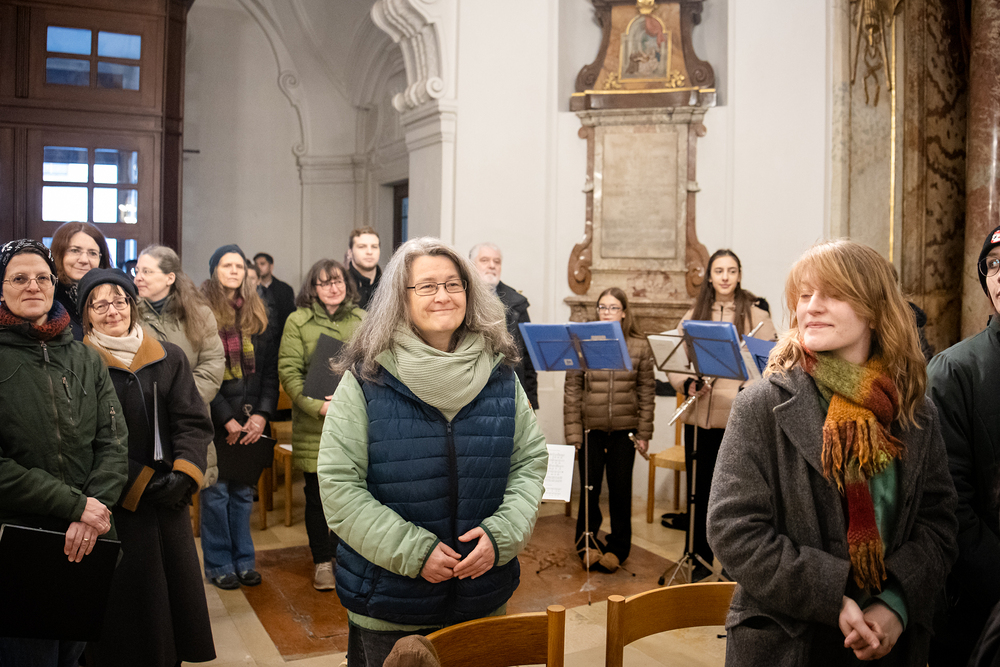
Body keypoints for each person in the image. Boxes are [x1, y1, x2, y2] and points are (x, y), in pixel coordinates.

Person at [707, 240, 958, 665]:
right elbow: (732, 529)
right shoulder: (762, 405)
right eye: (804, 295)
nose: (812, 307)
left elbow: (939, 524)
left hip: (891, 643)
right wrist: (832, 597)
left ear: (875, 310)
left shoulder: (915, 410)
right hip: (788, 641)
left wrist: (895, 604)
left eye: (834, 294)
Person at [317, 237, 548, 667]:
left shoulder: (500, 375)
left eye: (453, 284)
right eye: (426, 286)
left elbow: (529, 463)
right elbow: (339, 486)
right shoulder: (366, 379)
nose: (443, 295)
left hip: (482, 592)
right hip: (391, 598)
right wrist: (414, 551)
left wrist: (502, 536)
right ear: (400, 299)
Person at [78, 269, 215, 666]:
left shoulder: (168, 356)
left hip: (170, 500)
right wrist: (139, 484)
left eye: (119, 301)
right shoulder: (80, 363)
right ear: (86, 314)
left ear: (132, 305)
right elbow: (84, 440)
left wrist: (184, 475)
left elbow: (192, 421)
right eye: (99, 304)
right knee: (129, 616)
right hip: (116, 504)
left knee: (173, 609)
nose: (112, 311)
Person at [0, 240, 127, 665]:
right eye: (19, 278)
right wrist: (75, 505)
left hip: (86, 538)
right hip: (19, 539)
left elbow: (113, 442)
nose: (33, 286)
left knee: (72, 656)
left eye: (42, 277)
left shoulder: (85, 357)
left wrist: (93, 509)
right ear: (2, 288)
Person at [666, 248, 776, 581]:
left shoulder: (757, 316)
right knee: (699, 492)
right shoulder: (694, 315)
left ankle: (732, 564)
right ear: (710, 277)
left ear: (739, 275)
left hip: (738, 420)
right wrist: (687, 382)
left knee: (733, 496)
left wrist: (748, 390)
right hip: (700, 418)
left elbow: (770, 366)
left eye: (731, 271)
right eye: (719, 271)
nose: (725, 277)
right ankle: (697, 557)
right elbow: (676, 360)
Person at [926, 224, 1000, 666]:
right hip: (976, 613)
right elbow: (949, 507)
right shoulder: (953, 372)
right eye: (994, 265)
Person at [277, 258, 365, 591]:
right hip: (315, 423)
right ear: (313, 288)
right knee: (316, 498)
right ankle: (322, 561)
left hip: (354, 421)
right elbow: (288, 372)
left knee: (352, 495)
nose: (333, 287)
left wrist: (349, 403)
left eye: (338, 281)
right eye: (325, 282)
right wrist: (319, 407)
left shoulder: (363, 319)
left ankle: (344, 555)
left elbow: (374, 364)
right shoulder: (297, 321)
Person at [200, 244, 278, 590]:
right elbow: (200, 371)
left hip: (250, 418)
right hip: (216, 419)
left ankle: (244, 561)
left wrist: (261, 415)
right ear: (214, 270)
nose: (234, 271)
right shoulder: (201, 310)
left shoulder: (258, 310)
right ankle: (220, 563)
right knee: (216, 494)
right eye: (226, 265)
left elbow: (269, 372)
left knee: (244, 494)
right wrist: (225, 418)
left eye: (239, 266)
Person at [562, 287, 654, 573]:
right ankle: (585, 544)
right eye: (602, 307)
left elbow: (646, 391)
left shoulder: (639, 346)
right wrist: (573, 434)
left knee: (620, 491)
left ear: (624, 312)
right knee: (589, 490)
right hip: (591, 429)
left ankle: (618, 548)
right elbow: (573, 389)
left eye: (614, 307)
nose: (607, 312)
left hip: (626, 430)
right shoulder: (583, 342)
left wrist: (644, 433)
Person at [134, 244, 225, 489]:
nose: (138, 277)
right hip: (143, 421)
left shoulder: (199, 314)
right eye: (137, 271)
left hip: (188, 420)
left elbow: (212, 365)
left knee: (183, 488)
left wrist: (182, 400)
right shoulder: (128, 314)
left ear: (170, 277)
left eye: (147, 271)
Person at [470, 242, 539, 409]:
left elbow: (528, 358)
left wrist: (531, 400)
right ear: (471, 265)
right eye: (484, 260)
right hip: (471, 391)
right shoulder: (459, 299)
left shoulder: (517, 303)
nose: (492, 265)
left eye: (497, 261)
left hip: (510, 390)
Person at [49, 221, 112, 340]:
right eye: (75, 250)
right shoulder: (47, 299)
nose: (84, 260)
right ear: (59, 253)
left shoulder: (112, 300)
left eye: (92, 253)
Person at [253, 252, 296, 331]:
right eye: (256, 264)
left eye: (262, 264)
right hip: (256, 332)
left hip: (280, 333)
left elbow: (290, 315)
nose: (258, 267)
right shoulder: (252, 288)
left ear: (271, 266)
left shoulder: (285, 289)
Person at [347, 226, 382, 310]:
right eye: (362, 246)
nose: (369, 252)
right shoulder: (341, 286)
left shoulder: (389, 284)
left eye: (374, 247)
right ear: (350, 253)